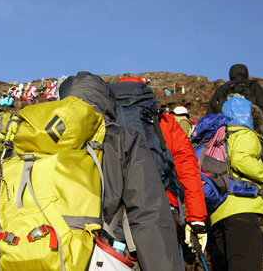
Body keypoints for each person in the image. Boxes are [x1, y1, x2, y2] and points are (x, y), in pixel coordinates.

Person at [59, 71, 182, 271]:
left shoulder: (37, 142)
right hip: (107, 256)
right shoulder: (122, 139)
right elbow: (149, 216)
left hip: (51, 253)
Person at [210, 97, 263, 271]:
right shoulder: (244, 134)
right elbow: (240, 160)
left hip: (219, 211)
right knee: (246, 264)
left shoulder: (220, 137)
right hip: (242, 209)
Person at [158, 110, 208, 253]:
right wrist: (196, 217)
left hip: (114, 211)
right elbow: (187, 168)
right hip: (165, 206)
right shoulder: (164, 122)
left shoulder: (103, 115)